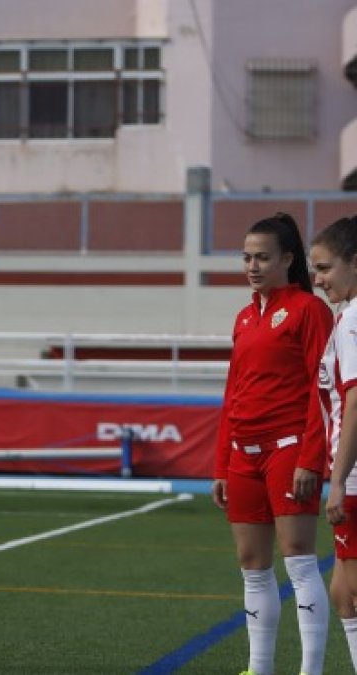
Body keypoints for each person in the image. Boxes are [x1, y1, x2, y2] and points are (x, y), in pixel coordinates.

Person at [211, 212, 332, 675]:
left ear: (287, 259)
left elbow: (321, 392)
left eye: (262, 257)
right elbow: (233, 393)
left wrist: (310, 458)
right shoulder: (244, 316)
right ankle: (259, 668)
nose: (252, 266)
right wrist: (221, 465)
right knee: (251, 565)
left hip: (289, 449)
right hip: (244, 455)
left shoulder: (308, 309)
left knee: (299, 561)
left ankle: (310, 671)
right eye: (246, 257)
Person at [311, 215, 357, 669]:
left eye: (325, 268)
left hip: (356, 477)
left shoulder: (351, 321)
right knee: (342, 593)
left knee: (354, 591)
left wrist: (339, 480)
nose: (318, 279)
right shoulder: (347, 316)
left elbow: (356, 403)